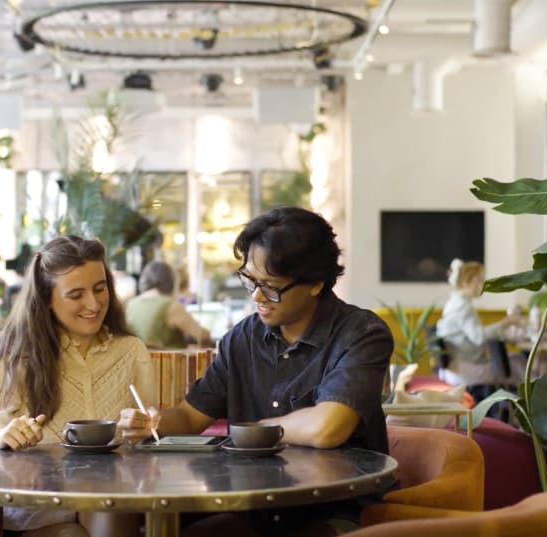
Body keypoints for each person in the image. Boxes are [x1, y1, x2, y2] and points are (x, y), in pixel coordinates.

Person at [118, 206, 394, 537]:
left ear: (315, 283)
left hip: (333, 509)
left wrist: (257, 429)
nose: (257, 296)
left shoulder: (361, 334)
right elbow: (190, 417)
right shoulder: (241, 339)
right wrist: (152, 423)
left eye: (271, 286)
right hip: (252, 509)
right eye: (249, 280)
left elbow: (328, 428)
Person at [0, 235, 153, 537]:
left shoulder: (131, 351)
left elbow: (148, 440)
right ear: (47, 299)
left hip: (112, 502)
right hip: (39, 512)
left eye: (99, 289)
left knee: (108, 505)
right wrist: (0, 436)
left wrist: (144, 430)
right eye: (76, 295)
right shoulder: (15, 353)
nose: (93, 304)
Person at [435, 259, 526, 392]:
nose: (482, 285)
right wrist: (505, 323)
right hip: (464, 371)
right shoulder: (463, 307)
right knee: (518, 363)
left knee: (515, 359)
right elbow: (478, 337)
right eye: (479, 281)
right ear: (466, 282)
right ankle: (530, 400)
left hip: (452, 369)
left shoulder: (453, 303)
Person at [125, 260, 212, 348]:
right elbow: (202, 335)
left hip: (139, 356)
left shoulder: (130, 304)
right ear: (171, 280)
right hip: (167, 356)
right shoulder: (170, 306)